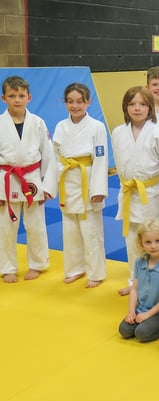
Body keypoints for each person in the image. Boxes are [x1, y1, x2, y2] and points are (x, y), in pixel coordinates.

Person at [0, 75, 57, 283]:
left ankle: (38, 263)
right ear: (3, 98)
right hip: (5, 180)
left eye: (21, 95)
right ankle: (7, 267)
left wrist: (48, 186)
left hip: (32, 179)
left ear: (29, 97)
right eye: (12, 95)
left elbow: (50, 155)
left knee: (36, 225)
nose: (17, 99)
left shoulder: (38, 123)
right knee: (5, 228)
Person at [111, 86, 159, 296]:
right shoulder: (118, 132)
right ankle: (135, 281)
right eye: (132, 104)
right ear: (125, 107)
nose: (137, 108)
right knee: (132, 241)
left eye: (142, 104)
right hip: (129, 191)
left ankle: (157, 284)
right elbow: (119, 163)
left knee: (155, 239)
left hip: (152, 193)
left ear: (150, 107)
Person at [53, 82, 109, 288]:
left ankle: (96, 272)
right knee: (70, 230)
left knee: (91, 230)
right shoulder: (61, 126)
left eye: (79, 101)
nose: (75, 106)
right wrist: (53, 182)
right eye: (70, 101)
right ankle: (75, 268)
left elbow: (102, 159)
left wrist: (99, 189)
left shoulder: (97, 126)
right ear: (65, 103)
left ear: (88, 102)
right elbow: (55, 156)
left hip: (88, 177)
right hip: (67, 179)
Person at [118, 219, 159, 342]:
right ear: (141, 243)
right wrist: (131, 311)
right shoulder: (139, 261)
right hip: (141, 308)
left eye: (157, 241)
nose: (153, 246)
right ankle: (143, 321)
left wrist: (148, 315)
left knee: (141, 333)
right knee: (124, 330)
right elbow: (134, 290)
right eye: (148, 242)